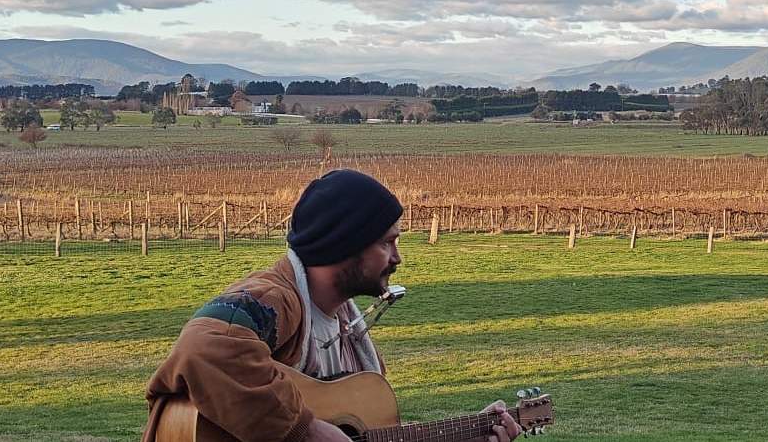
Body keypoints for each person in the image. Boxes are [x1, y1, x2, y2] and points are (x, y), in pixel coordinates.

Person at [142, 169, 521, 442]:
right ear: (345, 244)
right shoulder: (274, 300)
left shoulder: (350, 332)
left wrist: (467, 433)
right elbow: (204, 347)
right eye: (387, 243)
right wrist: (304, 430)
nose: (397, 258)